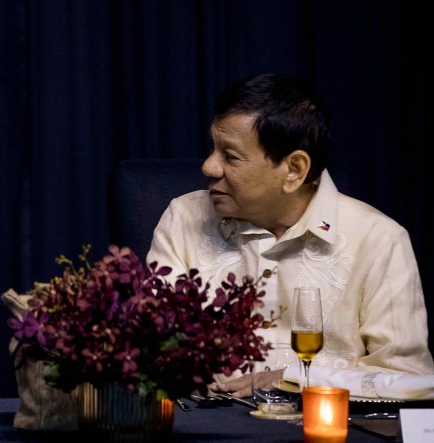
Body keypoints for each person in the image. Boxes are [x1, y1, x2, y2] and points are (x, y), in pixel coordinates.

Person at [146, 73, 434, 398]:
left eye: (230, 156)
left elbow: (412, 381)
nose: (209, 167)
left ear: (294, 169)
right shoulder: (184, 218)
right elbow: (149, 350)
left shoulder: (378, 239)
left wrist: (295, 379)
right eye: (213, 148)